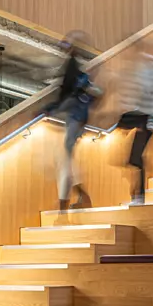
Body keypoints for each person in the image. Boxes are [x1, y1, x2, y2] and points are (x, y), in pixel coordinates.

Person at [52, 32, 101, 214]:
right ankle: (75, 200)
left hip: (74, 119)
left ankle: (68, 205)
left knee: (66, 161)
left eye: (66, 45)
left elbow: (68, 95)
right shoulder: (75, 70)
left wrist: (52, 108)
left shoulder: (74, 70)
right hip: (73, 119)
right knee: (66, 161)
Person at [115, 41, 153, 205]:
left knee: (136, 158)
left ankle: (139, 196)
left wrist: (150, 123)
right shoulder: (140, 70)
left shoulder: (149, 70)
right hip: (142, 116)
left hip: (147, 117)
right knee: (134, 158)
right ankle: (138, 195)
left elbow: (152, 97)